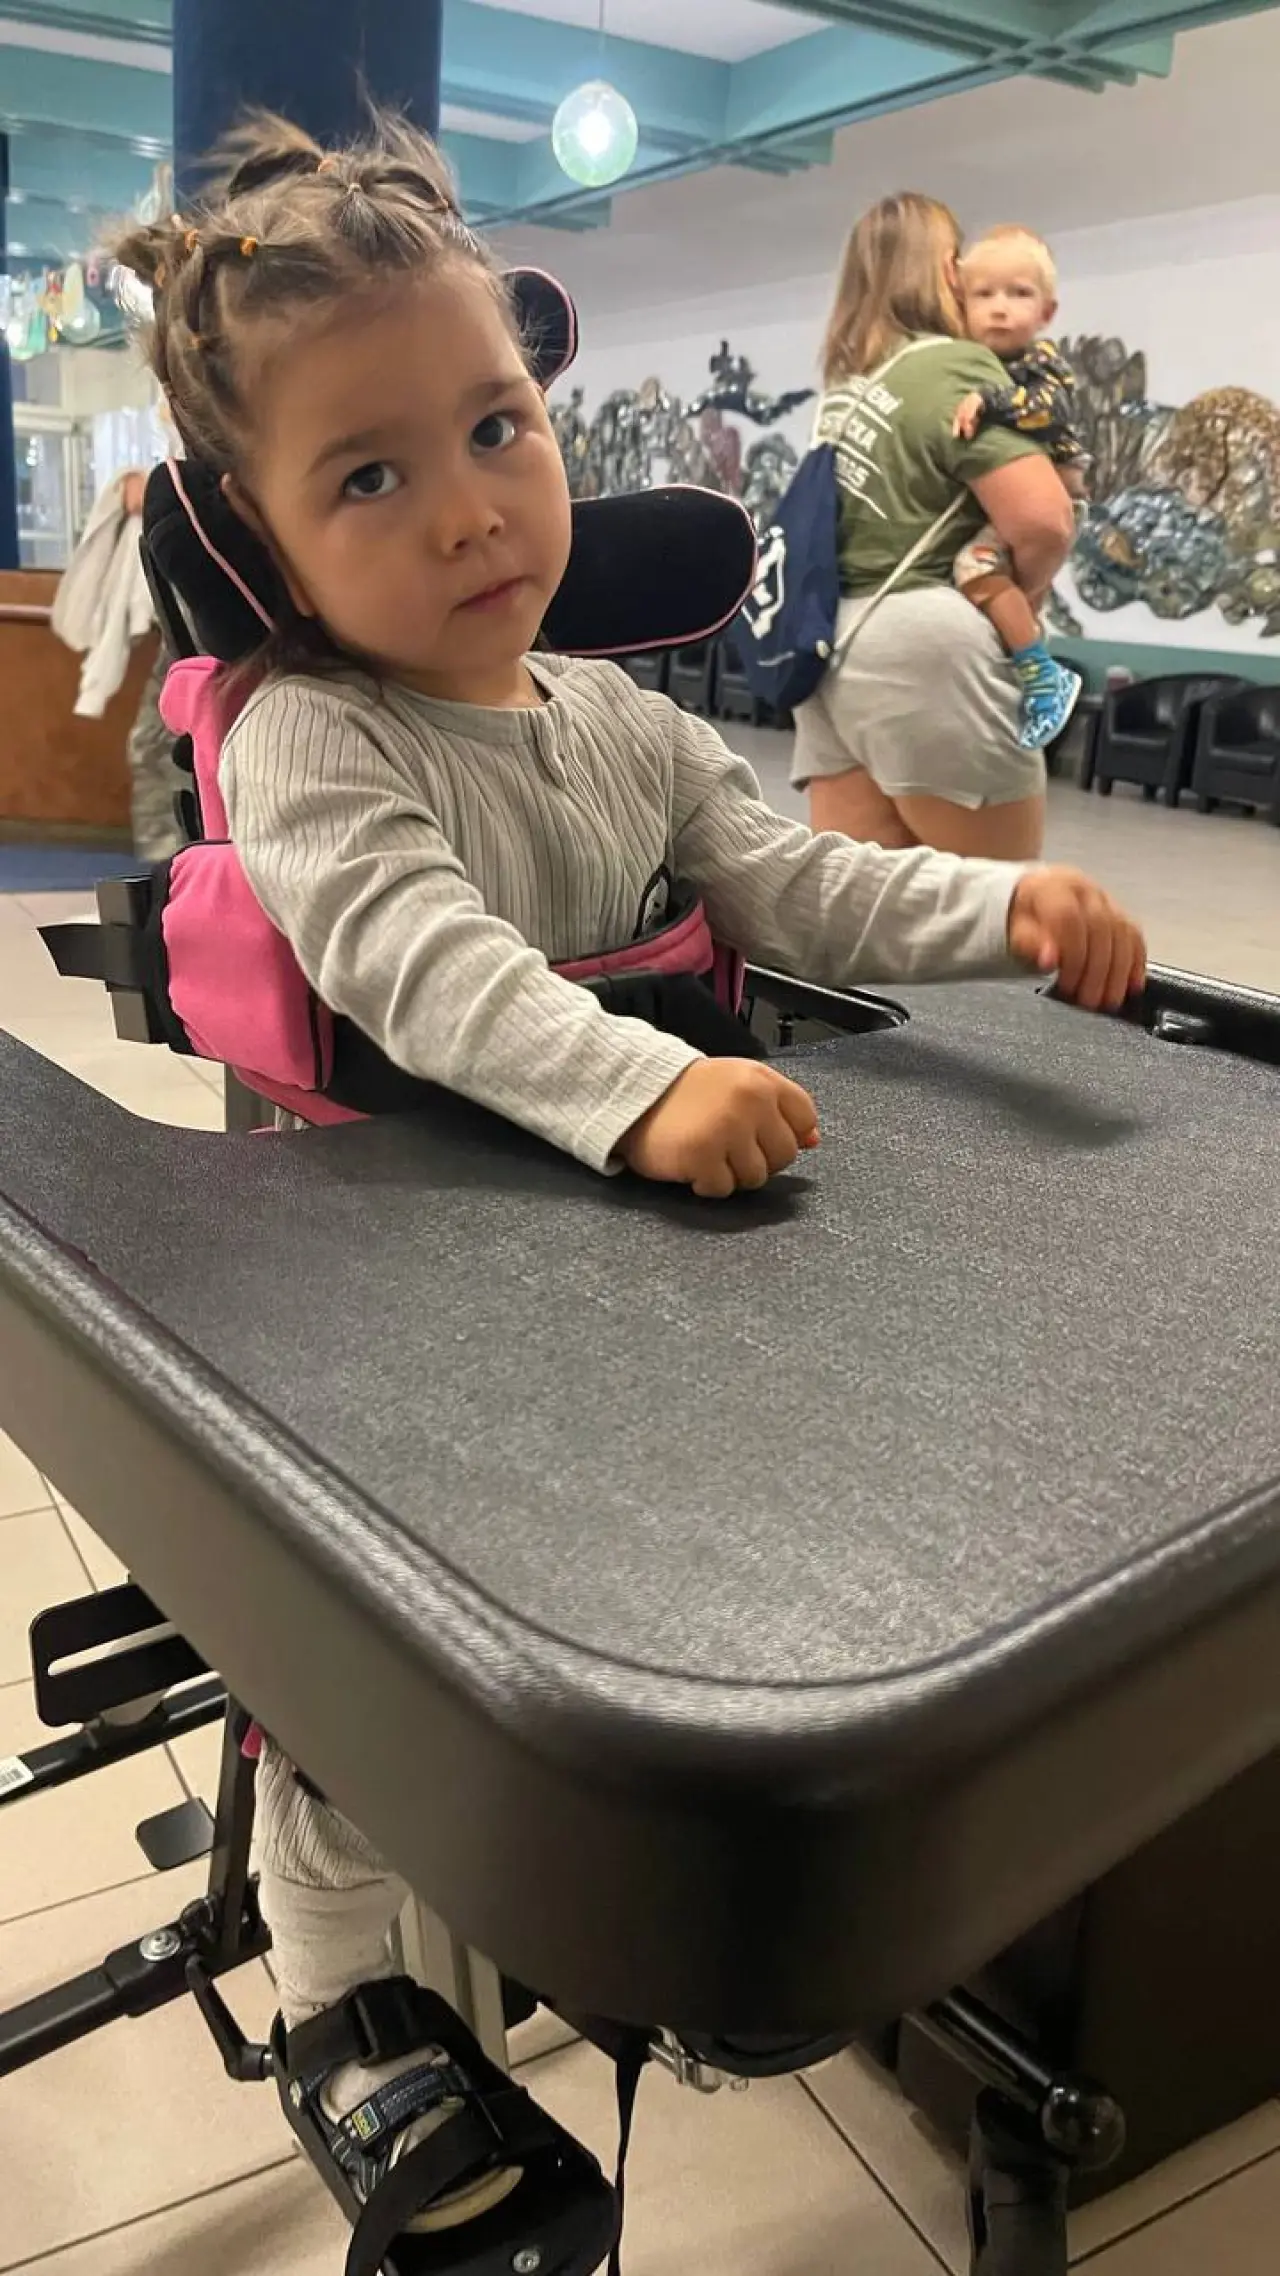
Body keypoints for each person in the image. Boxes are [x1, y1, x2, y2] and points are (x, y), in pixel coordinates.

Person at [113, 116, 1146, 2250]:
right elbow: (428, 966)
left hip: (620, 1273)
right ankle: (344, 1998)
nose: (468, 504)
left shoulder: (626, 722)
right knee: (356, 1684)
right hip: (386, 1295)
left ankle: (663, 1852)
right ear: (260, 543)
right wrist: (645, 1086)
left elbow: (800, 882)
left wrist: (1004, 913)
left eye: (495, 426)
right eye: (368, 476)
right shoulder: (307, 738)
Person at [794, 192, 1080, 859]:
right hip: (925, 647)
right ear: (947, 271)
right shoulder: (956, 366)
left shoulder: (848, 385)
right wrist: (1018, 599)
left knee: (864, 902)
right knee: (993, 902)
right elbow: (1044, 521)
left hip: (831, 648)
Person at [950, 225, 1088, 750]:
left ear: (1047, 311)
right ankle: (1023, 665)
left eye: (1019, 293)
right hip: (1012, 507)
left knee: (975, 568)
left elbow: (1053, 408)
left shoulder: (1039, 363)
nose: (1000, 308)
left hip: (1055, 498)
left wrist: (989, 401)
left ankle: (1041, 676)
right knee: (1001, 593)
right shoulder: (975, 363)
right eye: (984, 294)